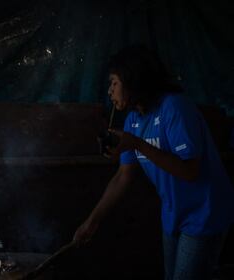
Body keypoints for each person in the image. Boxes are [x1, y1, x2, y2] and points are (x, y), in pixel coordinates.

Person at [73, 45, 234, 280]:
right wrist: (91, 222)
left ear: (133, 81)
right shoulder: (133, 120)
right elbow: (123, 176)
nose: (110, 91)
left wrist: (137, 144)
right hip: (174, 212)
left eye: (114, 83)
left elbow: (190, 171)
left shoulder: (174, 108)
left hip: (204, 210)